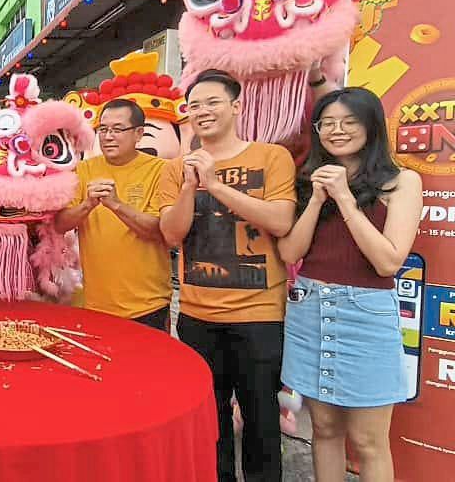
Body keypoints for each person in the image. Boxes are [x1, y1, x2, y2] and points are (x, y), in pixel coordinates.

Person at [154, 69, 296, 482]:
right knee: (210, 420)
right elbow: (171, 233)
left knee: (261, 419)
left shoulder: (271, 156)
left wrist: (215, 186)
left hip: (259, 315)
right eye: (194, 105)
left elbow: (281, 221)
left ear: (236, 106)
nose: (202, 112)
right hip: (198, 315)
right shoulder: (175, 168)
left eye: (212, 102)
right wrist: (188, 186)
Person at [278, 88, 422, 482]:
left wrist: (344, 198)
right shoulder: (309, 180)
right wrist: (316, 199)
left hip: (366, 316)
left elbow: (388, 261)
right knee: (324, 429)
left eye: (348, 122)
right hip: (308, 309)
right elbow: (291, 252)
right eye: (326, 123)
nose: (336, 131)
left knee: (368, 441)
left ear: (371, 126)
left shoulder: (402, 182)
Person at [53, 99, 172, 330]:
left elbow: (161, 231)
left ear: (139, 134)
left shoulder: (161, 170)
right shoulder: (84, 169)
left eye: (118, 129)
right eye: (103, 129)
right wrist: (88, 204)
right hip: (97, 305)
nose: (108, 136)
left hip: (149, 305)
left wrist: (117, 205)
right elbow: (59, 225)